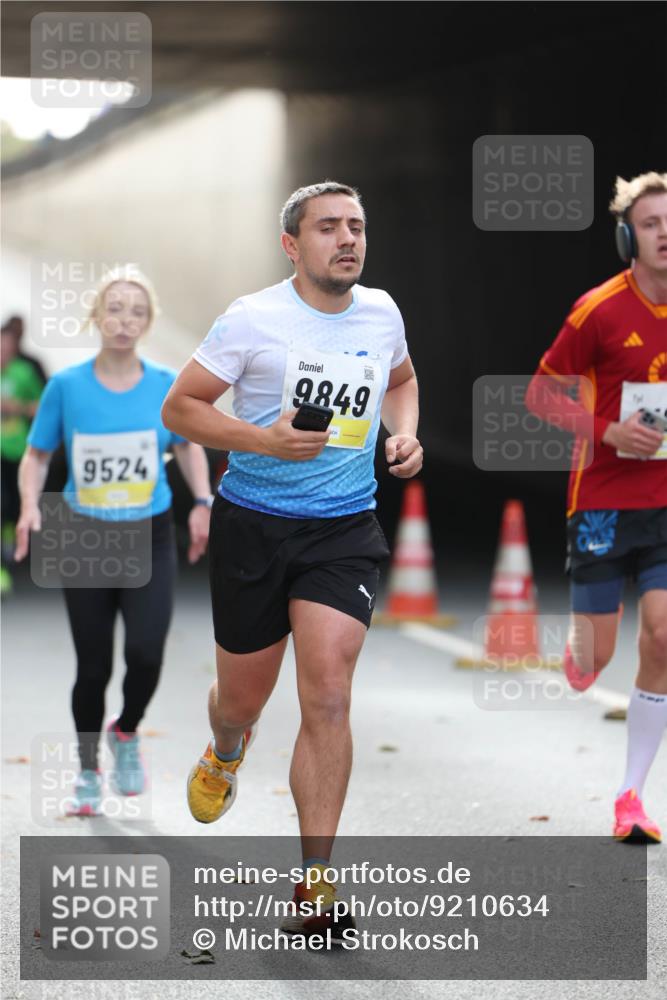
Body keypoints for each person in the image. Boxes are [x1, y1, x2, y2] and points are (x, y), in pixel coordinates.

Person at [162, 181, 422, 938]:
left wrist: (402, 435)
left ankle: (315, 885)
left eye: (357, 227)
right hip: (254, 525)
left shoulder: (381, 313)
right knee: (242, 700)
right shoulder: (251, 319)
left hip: (342, 529)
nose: (347, 239)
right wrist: (263, 440)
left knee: (330, 694)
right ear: (292, 244)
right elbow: (181, 409)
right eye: (328, 228)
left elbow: (401, 381)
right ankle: (224, 749)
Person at [14, 268, 213, 816]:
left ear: (148, 323)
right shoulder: (66, 387)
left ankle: (125, 731)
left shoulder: (164, 385)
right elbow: (36, 455)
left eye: (137, 311)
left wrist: (202, 502)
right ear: (97, 316)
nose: (125, 320)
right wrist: (31, 505)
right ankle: (85, 773)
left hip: (149, 535)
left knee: (147, 652)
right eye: (116, 308)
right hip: (84, 536)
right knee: (94, 666)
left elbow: (189, 445)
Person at [526, 171, 667, 844]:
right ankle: (581, 655)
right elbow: (540, 394)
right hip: (603, 501)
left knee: (663, 637)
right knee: (598, 653)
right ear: (626, 237)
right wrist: (606, 431)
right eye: (649, 223)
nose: (664, 232)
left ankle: (630, 797)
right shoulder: (598, 311)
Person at [1, 322, 44, 595]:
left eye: (8, 348)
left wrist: (16, 407)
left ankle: (8, 547)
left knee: (12, 506)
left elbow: (43, 407)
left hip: (17, 451)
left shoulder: (24, 373)